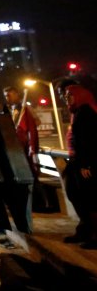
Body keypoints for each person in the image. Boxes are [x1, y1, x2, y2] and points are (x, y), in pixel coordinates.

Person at [59, 78, 97, 248]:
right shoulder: (77, 112)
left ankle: (93, 235)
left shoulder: (87, 113)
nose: (66, 99)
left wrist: (86, 164)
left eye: (69, 96)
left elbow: (89, 141)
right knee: (76, 195)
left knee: (90, 200)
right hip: (76, 161)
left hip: (85, 164)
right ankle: (85, 231)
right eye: (65, 96)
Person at [3, 85, 39, 176]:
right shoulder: (10, 109)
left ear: (16, 94)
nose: (7, 98)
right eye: (6, 96)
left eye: (9, 95)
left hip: (24, 145)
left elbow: (36, 123)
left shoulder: (25, 108)